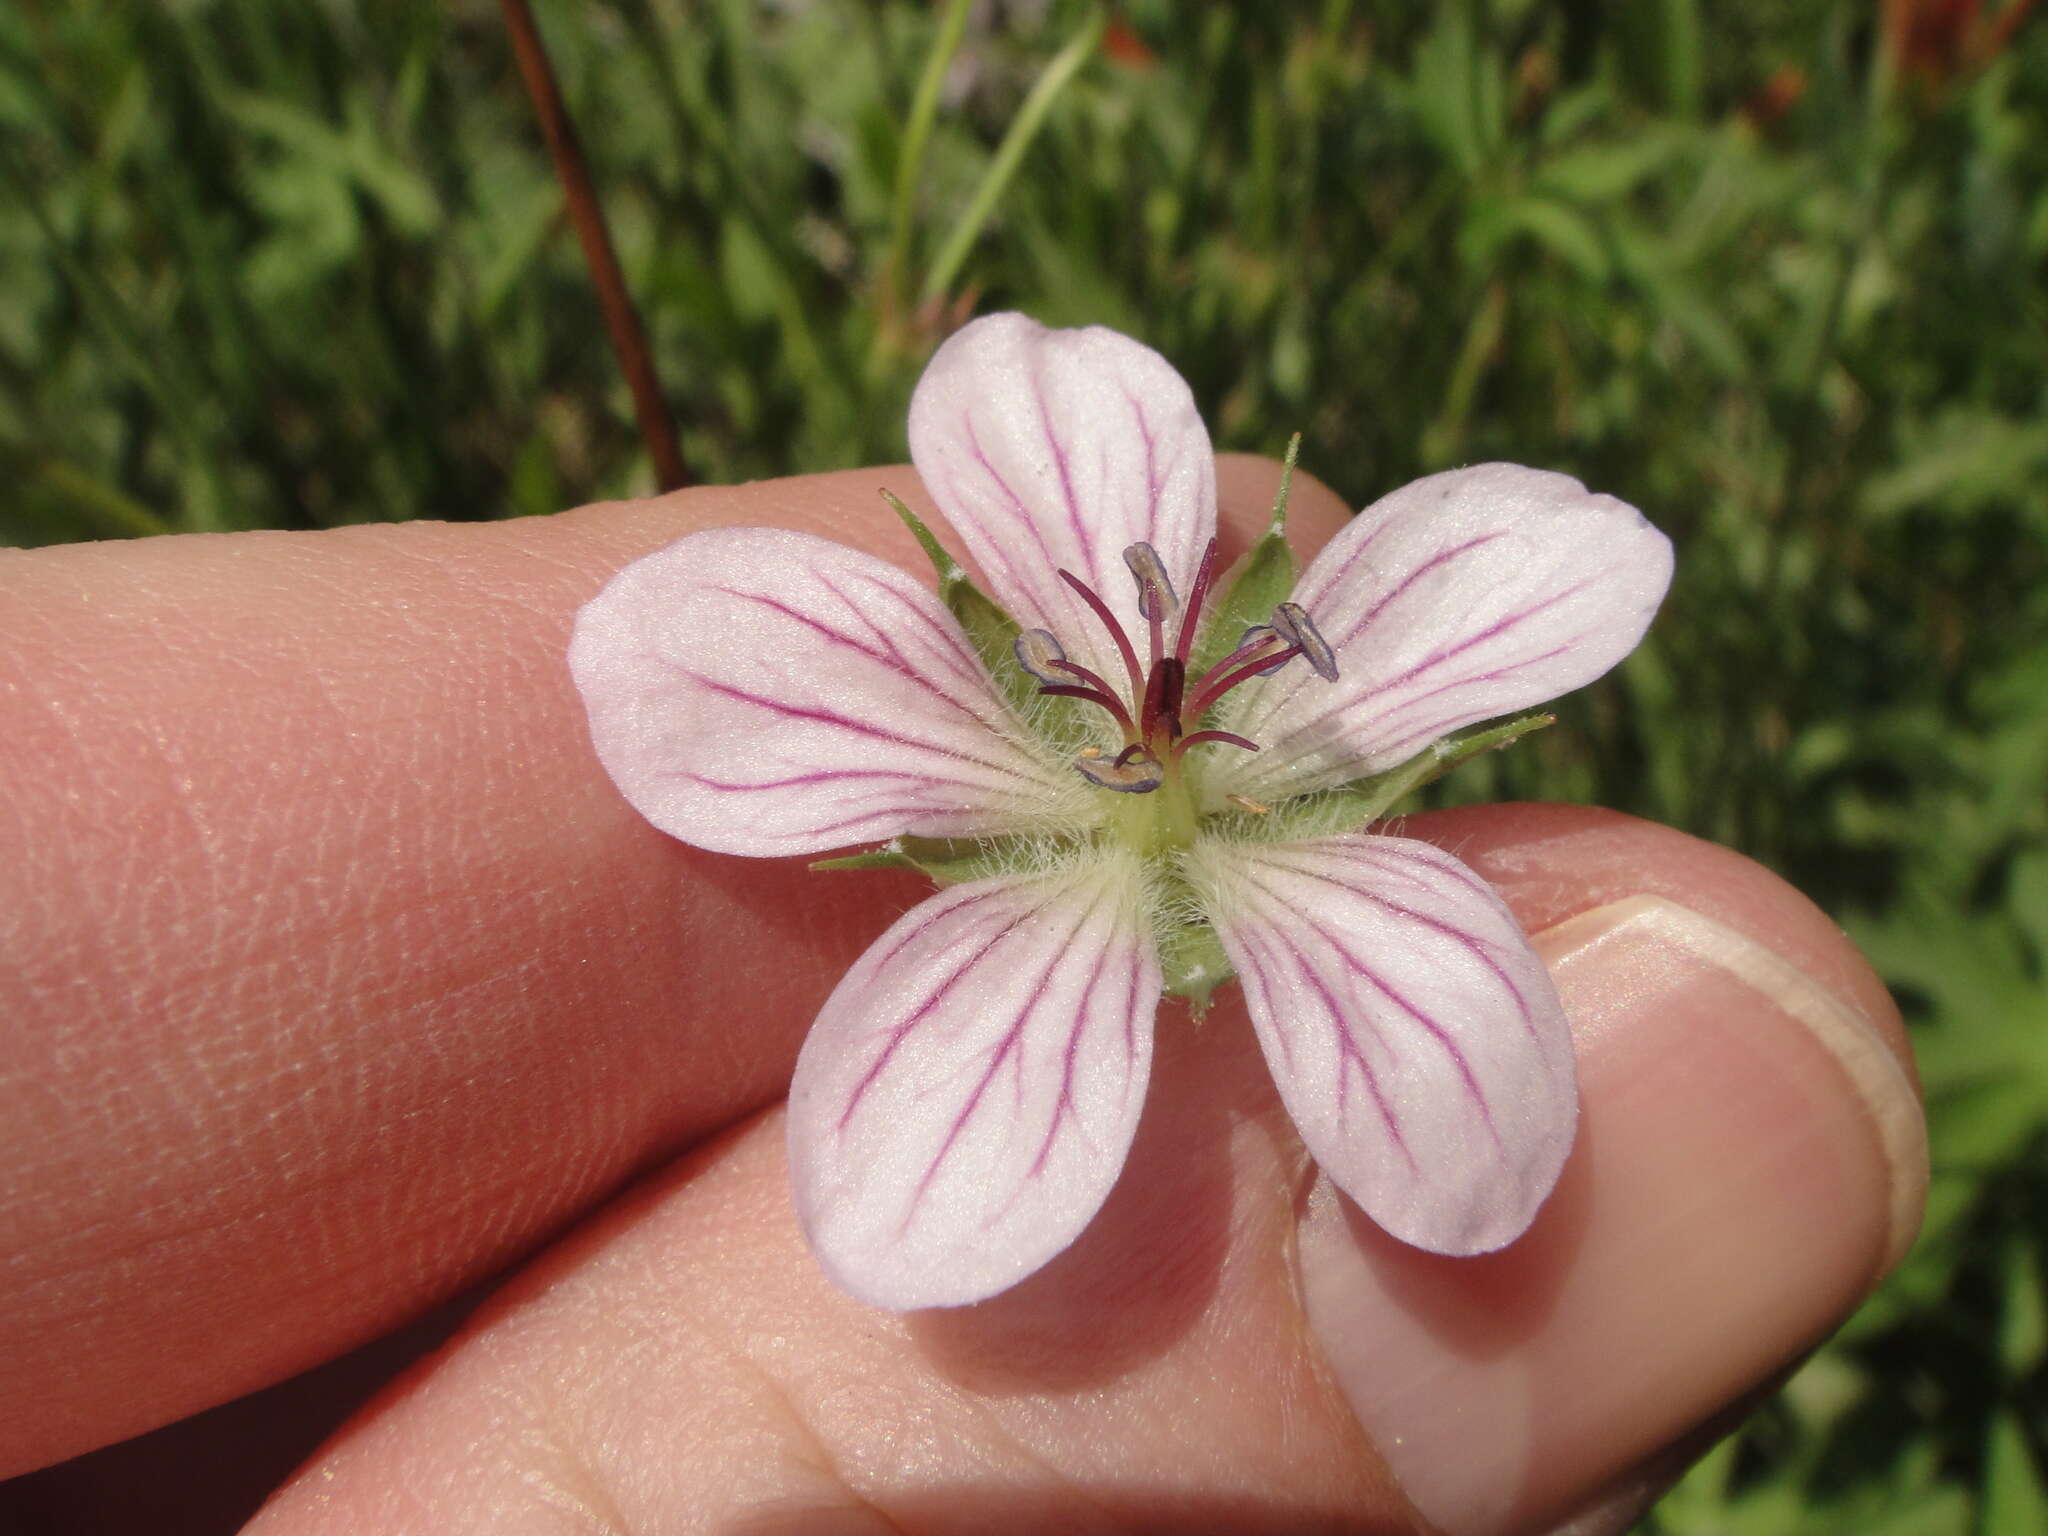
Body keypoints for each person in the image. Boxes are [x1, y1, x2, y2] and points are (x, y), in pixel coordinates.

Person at [0, 457, 1926, 1535]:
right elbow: (698, 673)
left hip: (1271, 856)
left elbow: (1561, 578)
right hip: (1069, 883)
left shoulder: (1330, 780)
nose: (1161, 713)